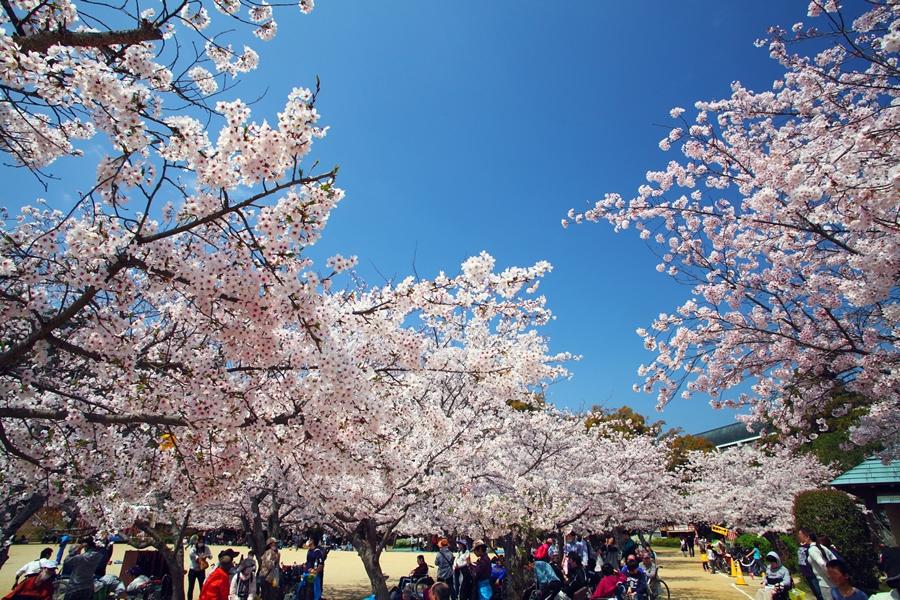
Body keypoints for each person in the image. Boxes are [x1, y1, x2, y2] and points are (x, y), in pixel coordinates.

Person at [189, 535, 213, 600]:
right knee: (191, 587)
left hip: (201, 570)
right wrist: (201, 558)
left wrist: (207, 556)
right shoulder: (193, 548)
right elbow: (194, 557)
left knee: (202, 587)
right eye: (199, 541)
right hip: (193, 570)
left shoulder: (206, 548)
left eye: (202, 541)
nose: (201, 543)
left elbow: (211, 556)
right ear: (197, 541)